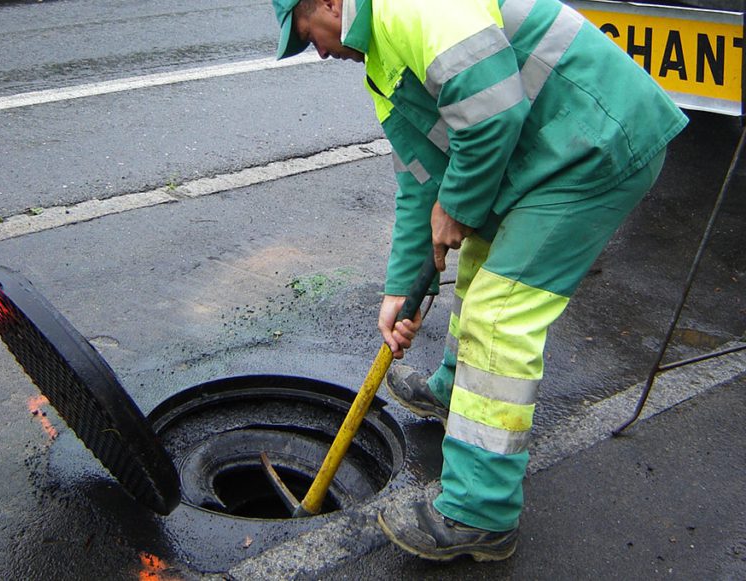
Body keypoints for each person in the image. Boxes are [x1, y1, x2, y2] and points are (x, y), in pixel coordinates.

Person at [272, 0, 687, 562]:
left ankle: (479, 514)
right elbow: (422, 183)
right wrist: (402, 291)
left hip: (596, 140)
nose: (317, 51)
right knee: (478, 266)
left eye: (305, 34)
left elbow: (491, 112)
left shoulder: (408, 8)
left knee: (499, 313)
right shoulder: (382, 67)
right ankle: (454, 391)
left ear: (326, 2)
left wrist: (459, 204)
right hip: (544, 150)